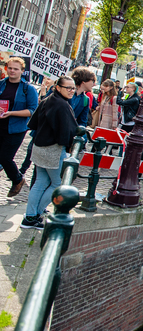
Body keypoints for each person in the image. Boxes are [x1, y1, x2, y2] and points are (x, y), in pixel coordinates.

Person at [21, 76, 78, 229]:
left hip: (39, 146)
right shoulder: (62, 105)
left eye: (73, 88)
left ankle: (30, 216)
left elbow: (32, 123)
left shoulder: (49, 99)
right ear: (58, 87)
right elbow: (67, 131)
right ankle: (37, 214)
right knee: (56, 184)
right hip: (53, 149)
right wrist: (68, 146)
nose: (72, 91)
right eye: (68, 88)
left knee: (40, 182)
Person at [0, 57, 38, 197]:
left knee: (5, 158)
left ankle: (17, 179)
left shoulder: (28, 89)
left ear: (22, 71)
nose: (12, 71)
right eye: (10, 68)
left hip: (16, 129)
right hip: (0, 125)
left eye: (16, 69)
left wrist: (11, 113)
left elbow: (32, 110)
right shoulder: (1, 84)